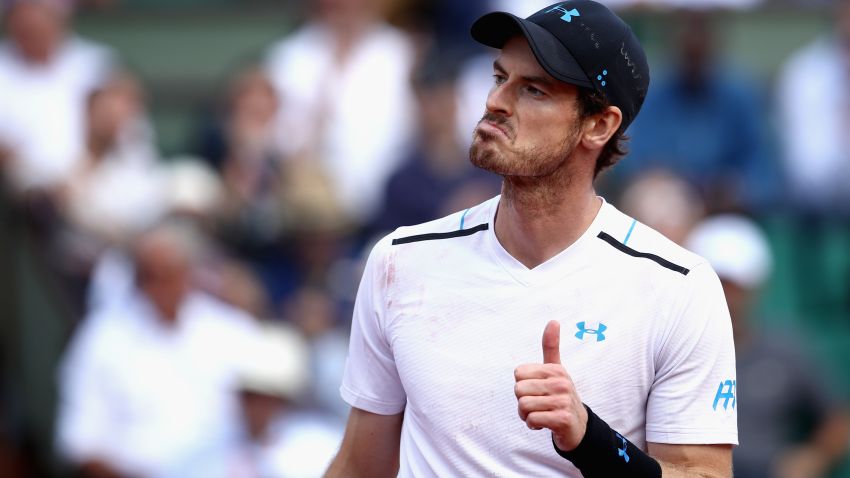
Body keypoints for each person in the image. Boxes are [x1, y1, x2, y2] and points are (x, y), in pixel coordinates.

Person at [326, 1, 737, 477]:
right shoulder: (399, 261)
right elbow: (360, 467)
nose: (496, 102)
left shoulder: (680, 287)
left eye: (534, 90)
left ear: (599, 125)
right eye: (500, 78)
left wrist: (590, 439)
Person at [686, 215, 850, 478]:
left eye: (735, 286)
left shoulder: (786, 349)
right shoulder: (669, 351)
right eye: (718, 283)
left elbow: (837, 420)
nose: (727, 296)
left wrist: (811, 458)